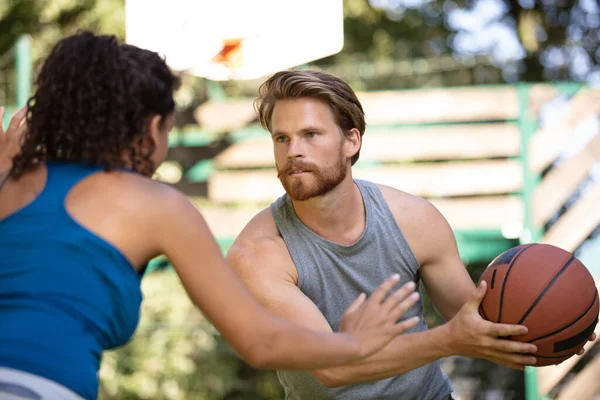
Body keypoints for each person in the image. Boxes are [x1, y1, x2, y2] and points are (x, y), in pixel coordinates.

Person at [0, 32, 422, 400]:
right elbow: (260, 341)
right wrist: (354, 343)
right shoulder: (156, 205)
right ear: (152, 129)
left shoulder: (9, 178)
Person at [225, 70, 540, 400]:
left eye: (311, 134)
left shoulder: (414, 220)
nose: (294, 151)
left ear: (351, 141)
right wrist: (449, 339)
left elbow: (476, 324)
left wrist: (555, 328)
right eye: (282, 138)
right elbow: (332, 368)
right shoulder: (257, 254)